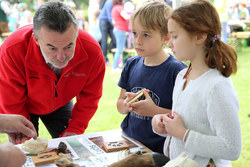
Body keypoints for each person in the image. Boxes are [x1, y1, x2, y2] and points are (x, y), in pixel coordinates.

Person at [152, 0, 241, 166]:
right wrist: (162, 124)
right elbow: (188, 124)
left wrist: (182, 133)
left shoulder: (217, 86)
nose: (169, 43)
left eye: (175, 36)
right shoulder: (182, 76)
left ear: (199, 36)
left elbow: (232, 148)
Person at [0, 0, 105, 139]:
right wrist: (26, 140)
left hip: (60, 102)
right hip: (22, 104)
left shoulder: (92, 52)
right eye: (52, 48)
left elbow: (90, 97)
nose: (61, 57)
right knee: (25, 155)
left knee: (71, 147)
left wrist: (75, 128)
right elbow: (11, 99)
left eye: (68, 46)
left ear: (76, 35)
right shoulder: (12, 50)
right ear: (36, 39)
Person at [117, 1, 186, 154]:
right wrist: (127, 104)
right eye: (134, 33)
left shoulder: (177, 71)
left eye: (146, 35)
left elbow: (184, 118)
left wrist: (154, 110)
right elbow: (120, 105)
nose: (137, 41)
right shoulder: (131, 64)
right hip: (130, 142)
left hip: (161, 151)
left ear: (166, 38)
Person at [111, 0, 130, 72]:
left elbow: (113, 21)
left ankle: (118, 65)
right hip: (121, 30)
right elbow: (126, 17)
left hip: (117, 29)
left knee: (120, 48)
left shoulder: (114, 8)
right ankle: (115, 67)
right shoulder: (119, 8)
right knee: (120, 49)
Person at [99, 0, 116, 66]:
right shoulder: (109, 2)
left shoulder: (117, 2)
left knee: (114, 40)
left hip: (110, 22)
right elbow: (109, 15)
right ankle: (105, 59)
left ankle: (115, 59)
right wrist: (115, 26)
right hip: (103, 21)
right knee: (104, 40)